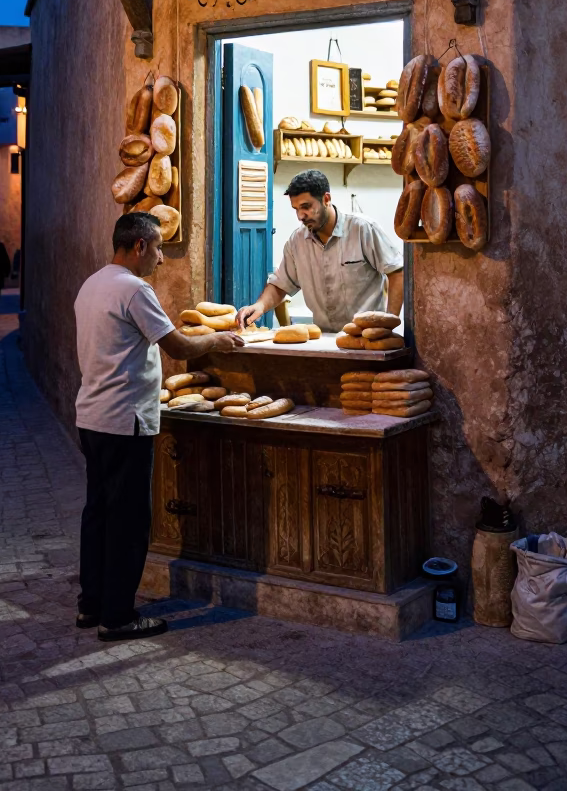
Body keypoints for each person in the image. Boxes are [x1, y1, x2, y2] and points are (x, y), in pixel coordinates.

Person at [74, 211, 244, 642]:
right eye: (159, 248)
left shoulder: (92, 284)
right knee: (129, 522)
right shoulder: (134, 289)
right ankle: (119, 617)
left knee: (98, 513)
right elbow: (178, 344)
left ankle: (91, 605)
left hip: (91, 418)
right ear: (139, 247)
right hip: (124, 419)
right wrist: (217, 340)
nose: (162, 259)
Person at [237, 169, 404, 334]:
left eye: (306, 207)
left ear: (326, 199)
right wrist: (259, 306)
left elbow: (397, 272)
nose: (300, 216)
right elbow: (281, 285)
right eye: (296, 209)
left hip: (367, 338)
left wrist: (388, 322)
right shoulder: (297, 242)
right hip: (325, 341)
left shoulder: (362, 230)